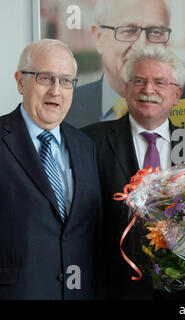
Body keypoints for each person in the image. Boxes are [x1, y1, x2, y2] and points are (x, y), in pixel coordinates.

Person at [81, 45, 185, 299]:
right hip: (113, 289)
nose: (149, 90)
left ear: (177, 94)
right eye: (139, 81)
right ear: (126, 89)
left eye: (160, 82)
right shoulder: (89, 142)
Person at [0, 39, 103, 299]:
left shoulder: (85, 146)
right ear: (21, 81)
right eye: (45, 78)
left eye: (66, 81)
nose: (56, 91)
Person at [65, 0, 185, 128]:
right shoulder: (65, 107)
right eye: (129, 31)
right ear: (100, 38)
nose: (141, 46)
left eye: (156, 32)